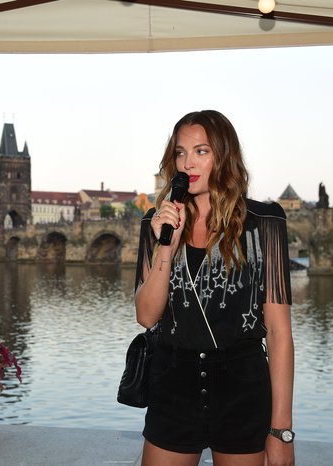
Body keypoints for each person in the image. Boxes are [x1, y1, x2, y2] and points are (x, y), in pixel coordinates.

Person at [135, 110, 295, 466]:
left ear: (224, 155)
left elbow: (279, 332)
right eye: (180, 152)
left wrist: (281, 431)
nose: (188, 162)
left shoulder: (264, 223)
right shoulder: (156, 223)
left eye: (201, 151)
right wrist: (167, 246)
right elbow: (146, 316)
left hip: (242, 391)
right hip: (173, 388)